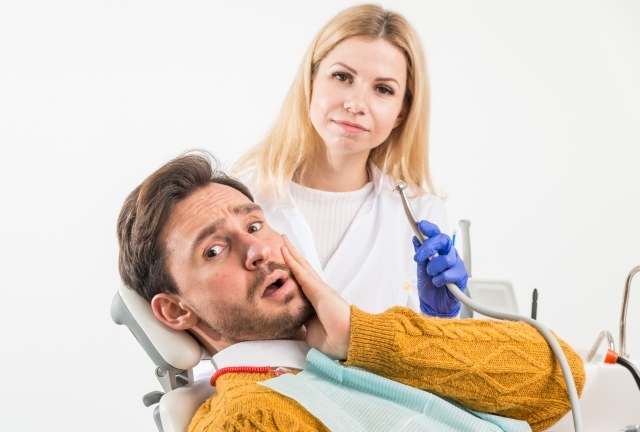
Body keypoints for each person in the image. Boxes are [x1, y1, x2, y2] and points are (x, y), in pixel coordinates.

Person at [117, 152, 585, 432]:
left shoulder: (356, 352)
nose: (257, 250)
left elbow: (561, 381)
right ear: (175, 311)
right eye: (215, 250)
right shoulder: (246, 418)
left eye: (255, 225)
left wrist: (363, 334)